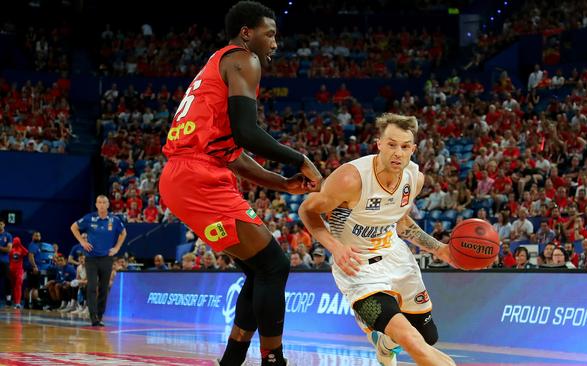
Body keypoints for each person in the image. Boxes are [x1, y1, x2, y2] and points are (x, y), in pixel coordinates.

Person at [158, 2, 322, 366]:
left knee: (258, 269)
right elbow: (248, 134)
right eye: (270, 34)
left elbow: (231, 152)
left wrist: (282, 183)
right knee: (274, 266)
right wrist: (301, 160)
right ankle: (274, 358)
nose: (275, 43)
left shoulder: (214, 64)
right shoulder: (244, 60)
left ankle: (232, 360)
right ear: (247, 33)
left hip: (188, 174)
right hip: (197, 176)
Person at [299, 113, 456, 366]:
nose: (398, 153)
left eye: (405, 147)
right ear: (379, 144)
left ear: (413, 149)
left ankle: (383, 344)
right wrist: (335, 247)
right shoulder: (351, 178)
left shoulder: (414, 179)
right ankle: (380, 331)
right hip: (357, 268)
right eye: (391, 144)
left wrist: (439, 249)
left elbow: (401, 221)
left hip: (396, 257)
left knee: (428, 337)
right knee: (412, 342)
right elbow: (307, 209)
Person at [70, 195, 127, 326]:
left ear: (108, 205)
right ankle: (93, 317)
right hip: (91, 258)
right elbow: (73, 227)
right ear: (96, 205)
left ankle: (100, 315)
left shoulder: (114, 220)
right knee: (91, 287)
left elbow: (124, 233)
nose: (101, 205)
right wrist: (82, 242)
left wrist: (117, 248)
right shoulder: (89, 218)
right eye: (99, 202)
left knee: (103, 287)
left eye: (104, 202)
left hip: (107, 258)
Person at [8, 237, 28, 308]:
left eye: (17, 241)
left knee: (18, 285)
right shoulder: (11, 250)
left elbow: (26, 252)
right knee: (13, 286)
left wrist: (20, 245)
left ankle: (18, 303)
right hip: (11, 270)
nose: (16, 242)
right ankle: (14, 301)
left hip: (19, 270)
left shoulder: (21, 249)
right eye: (15, 241)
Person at [0, 220, 13, 307]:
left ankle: (8, 301)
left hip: (4, 262)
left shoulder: (8, 235)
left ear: (4, 225)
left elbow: (8, 249)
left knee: (8, 280)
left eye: (0, 224)